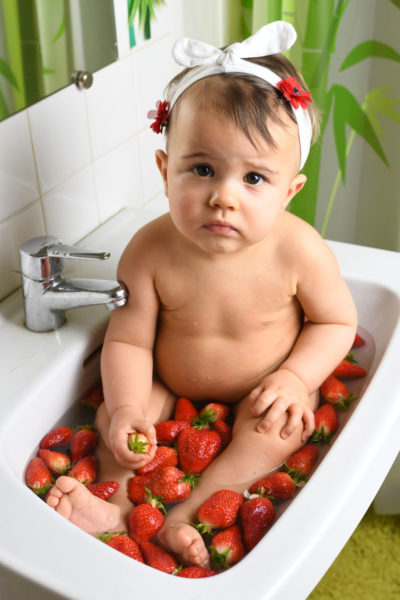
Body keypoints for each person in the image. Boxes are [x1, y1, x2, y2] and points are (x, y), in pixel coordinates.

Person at [46, 21, 357, 568]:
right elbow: (130, 342)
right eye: (203, 169)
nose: (223, 197)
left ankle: (188, 512)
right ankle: (115, 504)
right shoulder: (149, 251)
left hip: (264, 388)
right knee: (122, 422)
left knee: (280, 429)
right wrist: (123, 410)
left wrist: (295, 378)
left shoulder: (299, 252)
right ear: (166, 172)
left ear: (290, 192)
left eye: (254, 179)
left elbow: (335, 323)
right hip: (171, 382)